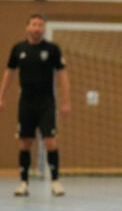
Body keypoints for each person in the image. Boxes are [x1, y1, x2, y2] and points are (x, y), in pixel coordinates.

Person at [0, 14, 71, 197]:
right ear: (28, 27)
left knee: (50, 141)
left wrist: (65, 101)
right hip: (26, 103)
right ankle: (23, 182)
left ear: (44, 28)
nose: (37, 27)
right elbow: (9, 73)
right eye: (34, 24)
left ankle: (55, 181)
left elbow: (62, 75)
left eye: (40, 25)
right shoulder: (19, 49)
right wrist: (1, 96)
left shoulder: (52, 49)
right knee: (25, 142)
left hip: (46, 103)